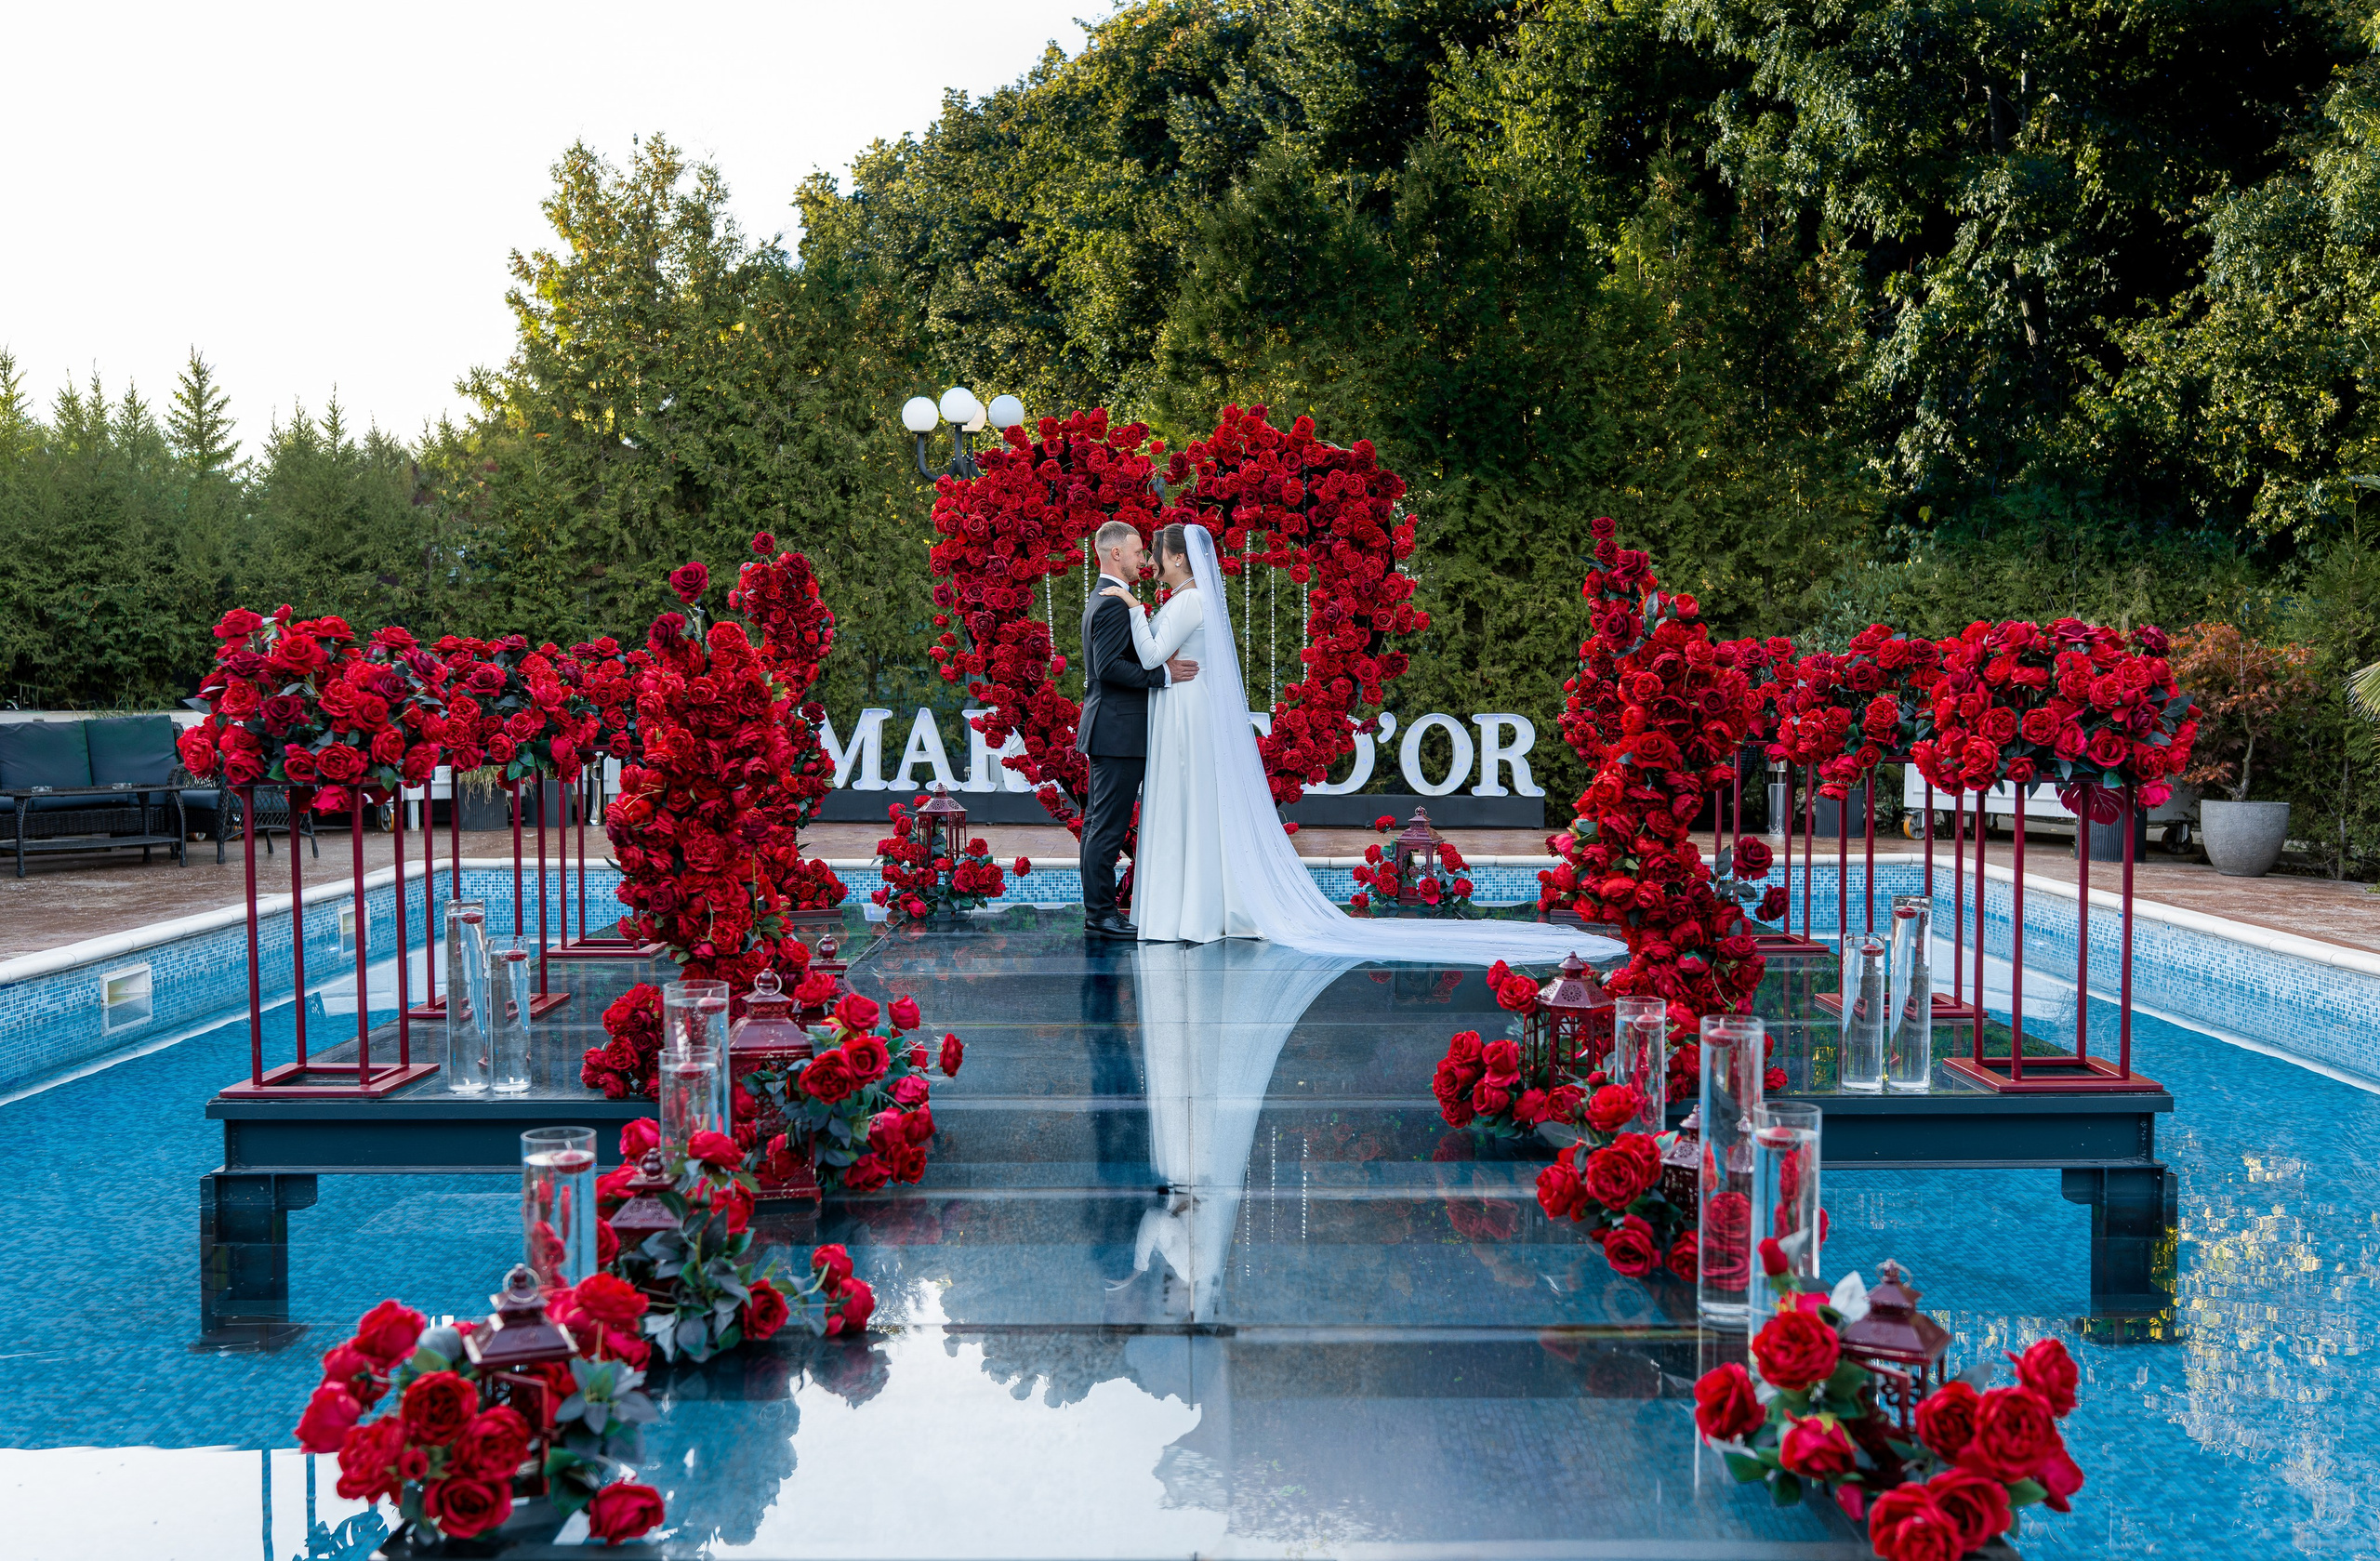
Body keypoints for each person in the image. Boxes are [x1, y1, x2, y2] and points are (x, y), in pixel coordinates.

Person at [1103, 522, 1618, 966]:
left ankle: (1195, 910)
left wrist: (1129, 606)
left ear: (1176, 557)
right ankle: (1192, 906)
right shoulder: (1186, 600)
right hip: (1180, 709)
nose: (1152, 562)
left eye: (1157, 553)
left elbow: (1149, 657)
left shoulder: (1189, 600)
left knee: (1190, 807)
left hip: (1186, 716)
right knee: (1188, 809)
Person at [1076, 519, 1198, 939]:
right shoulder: (1112, 602)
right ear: (1115, 554)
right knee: (1105, 826)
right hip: (1118, 731)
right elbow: (1109, 669)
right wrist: (1163, 676)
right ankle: (1101, 915)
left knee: (1098, 823)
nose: (1143, 559)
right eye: (1136, 551)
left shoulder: (1107, 597)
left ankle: (1099, 912)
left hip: (1112, 728)